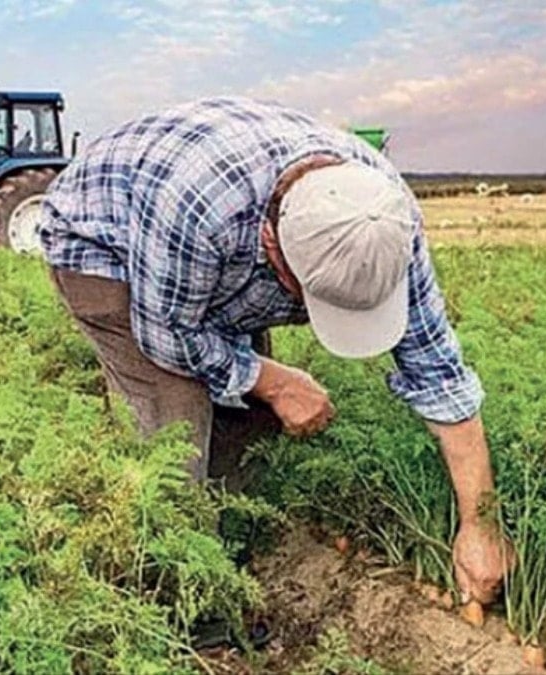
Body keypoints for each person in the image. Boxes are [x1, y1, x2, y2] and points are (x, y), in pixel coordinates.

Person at [38, 96, 513, 608]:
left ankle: (230, 545)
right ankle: (176, 599)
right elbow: (168, 335)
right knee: (175, 427)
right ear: (272, 246)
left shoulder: (384, 218)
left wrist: (480, 524)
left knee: (247, 410)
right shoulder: (199, 211)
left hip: (209, 249)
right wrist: (277, 381)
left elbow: (438, 372)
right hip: (105, 246)